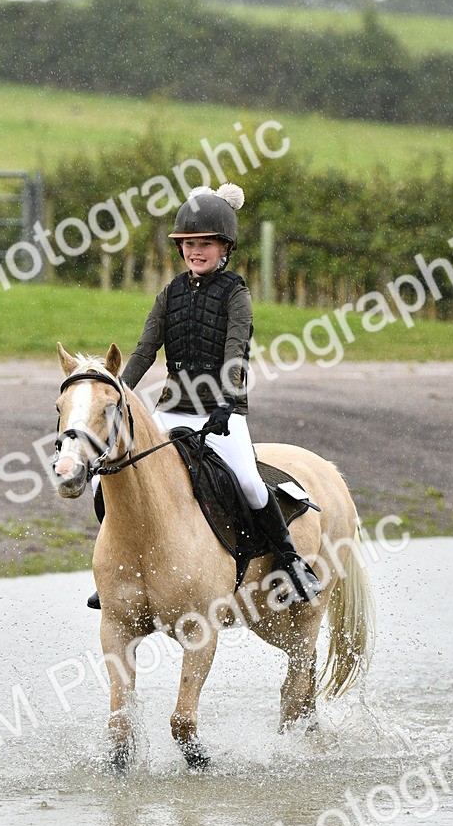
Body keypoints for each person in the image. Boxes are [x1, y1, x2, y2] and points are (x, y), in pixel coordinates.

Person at [87, 182, 321, 609]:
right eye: (190, 243)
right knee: (112, 480)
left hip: (220, 413)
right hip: (172, 411)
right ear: (181, 249)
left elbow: (236, 353)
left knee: (250, 484)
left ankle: (290, 561)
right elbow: (144, 350)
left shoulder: (236, 294)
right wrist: (117, 391)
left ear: (225, 247)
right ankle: (120, 570)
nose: (197, 251)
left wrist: (227, 404)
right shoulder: (170, 293)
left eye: (206, 244)